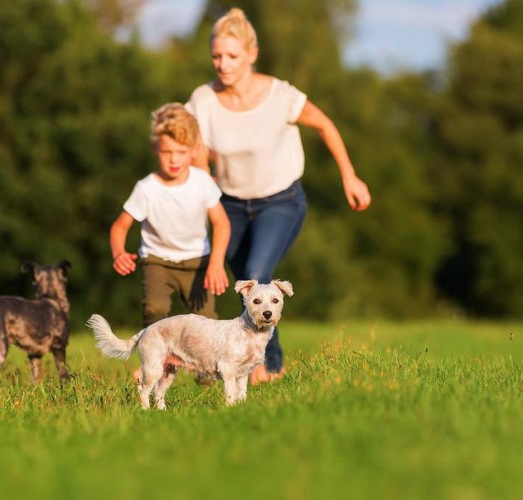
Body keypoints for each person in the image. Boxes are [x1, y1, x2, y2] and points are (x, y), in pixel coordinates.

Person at [185, 8, 372, 384]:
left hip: (280, 202)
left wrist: (349, 176)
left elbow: (324, 125)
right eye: (217, 56)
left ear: (252, 55)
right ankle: (226, 362)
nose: (223, 64)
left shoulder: (279, 95)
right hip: (229, 206)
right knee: (235, 285)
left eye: (232, 56)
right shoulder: (203, 99)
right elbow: (192, 149)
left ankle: (268, 368)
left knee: (256, 276)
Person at [109, 103, 231, 382]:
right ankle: (155, 359)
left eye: (181, 152)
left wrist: (216, 264)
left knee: (206, 320)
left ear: (193, 151)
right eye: (167, 152)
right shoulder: (147, 188)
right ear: (156, 150)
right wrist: (118, 253)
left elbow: (222, 223)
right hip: (157, 260)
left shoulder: (202, 182)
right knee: (155, 308)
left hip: (198, 262)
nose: (174, 159)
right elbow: (120, 226)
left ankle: (206, 370)